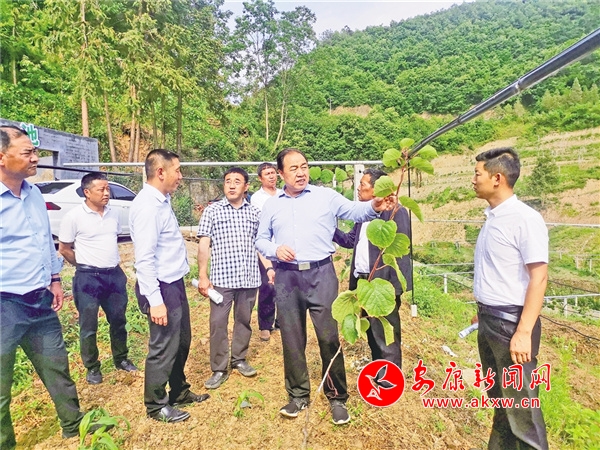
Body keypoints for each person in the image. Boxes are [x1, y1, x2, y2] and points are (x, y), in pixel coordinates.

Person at [255, 148, 396, 425]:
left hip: (322, 274)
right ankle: (298, 396)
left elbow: (355, 211)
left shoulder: (325, 196)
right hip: (286, 277)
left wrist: (375, 206)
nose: (301, 173)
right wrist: (274, 249)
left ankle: (337, 397)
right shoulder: (272, 205)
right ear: (281, 173)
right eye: (293, 168)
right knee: (292, 338)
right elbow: (260, 239)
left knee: (329, 336)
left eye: (304, 166)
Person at [0, 126, 86, 447]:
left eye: (35, 151)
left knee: (57, 367)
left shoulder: (34, 194)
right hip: (4, 306)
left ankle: (74, 426)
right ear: (2, 157)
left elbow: (44, 240)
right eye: (27, 152)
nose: (35, 158)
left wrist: (54, 278)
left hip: (39, 301)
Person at [472, 147, 549, 450]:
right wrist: (483, 310)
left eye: (477, 174)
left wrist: (524, 332)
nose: (473, 180)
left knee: (523, 412)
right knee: (503, 407)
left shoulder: (524, 219)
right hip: (490, 320)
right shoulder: (493, 218)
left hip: (511, 326)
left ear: (497, 178)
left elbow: (538, 277)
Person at [130, 149, 209, 424]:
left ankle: (178, 390)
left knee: (181, 340)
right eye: (177, 170)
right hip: (160, 287)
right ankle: (156, 405)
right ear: (161, 172)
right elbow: (144, 259)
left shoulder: (162, 201)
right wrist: (155, 301)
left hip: (173, 283)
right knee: (163, 346)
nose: (181, 176)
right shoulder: (148, 207)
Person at [58, 172, 138, 385]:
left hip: (114, 275)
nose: (106, 193)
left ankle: (121, 359)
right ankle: (92, 367)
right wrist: (83, 265)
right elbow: (64, 249)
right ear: (87, 192)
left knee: (119, 320)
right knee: (88, 326)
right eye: (101, 189)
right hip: (88, 279)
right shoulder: (74, 216)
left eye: (107, 189)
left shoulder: (113, 213)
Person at [197, 167, 271, 389]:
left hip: (249, 278)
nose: (231, 185)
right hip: (221, 280)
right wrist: (202, 275)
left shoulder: (255, 213)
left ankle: (239, 358)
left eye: (237, 181)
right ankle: (219, 368)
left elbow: (260, 245)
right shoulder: (213, 211)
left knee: (244, 320)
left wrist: (268, 267)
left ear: (246, 187)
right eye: (228, 181)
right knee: (218, 323)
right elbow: (204, 244)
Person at [333, 168, 412, 369]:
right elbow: (350, 240)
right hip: (363, 282)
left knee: (386, 335)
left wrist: (394, 288)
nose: (358, 189)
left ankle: (390, 379)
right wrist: (329, 229)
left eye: (362, 185)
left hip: (382, 284)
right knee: (371, 333)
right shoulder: (365, 213)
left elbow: (400, 252)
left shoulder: (395, 212)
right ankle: (379, 372)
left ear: (377, 190)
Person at [250, 162, 283, 341]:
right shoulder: (257, 198)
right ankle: (265, 325)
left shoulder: (283, 193)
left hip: (284, 247)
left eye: (273, 172)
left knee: (284, 285)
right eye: (267, 174)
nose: (271, 176)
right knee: (267, 287)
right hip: (267, 248)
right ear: (260, 178)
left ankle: (282, 321)